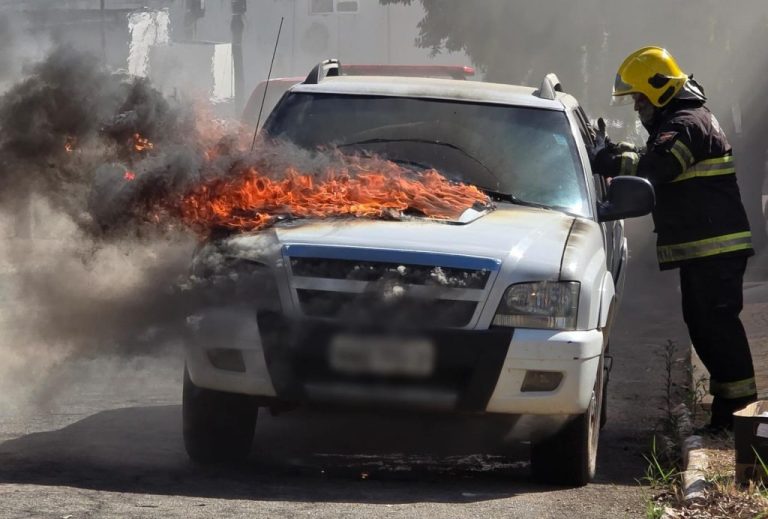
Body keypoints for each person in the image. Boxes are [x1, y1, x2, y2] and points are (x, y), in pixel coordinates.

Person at [595, 46, 757, 430]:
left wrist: (609, 158)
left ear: (660, 89)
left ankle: (738, 416)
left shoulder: (686, 123)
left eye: (640, 98)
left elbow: (657, 167)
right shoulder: (686, 120)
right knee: (707, 326)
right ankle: (730, 416)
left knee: (717, 328)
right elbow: (654, 155)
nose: (637, 107)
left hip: (715, 248)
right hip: (708, 249)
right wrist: (620, 151)